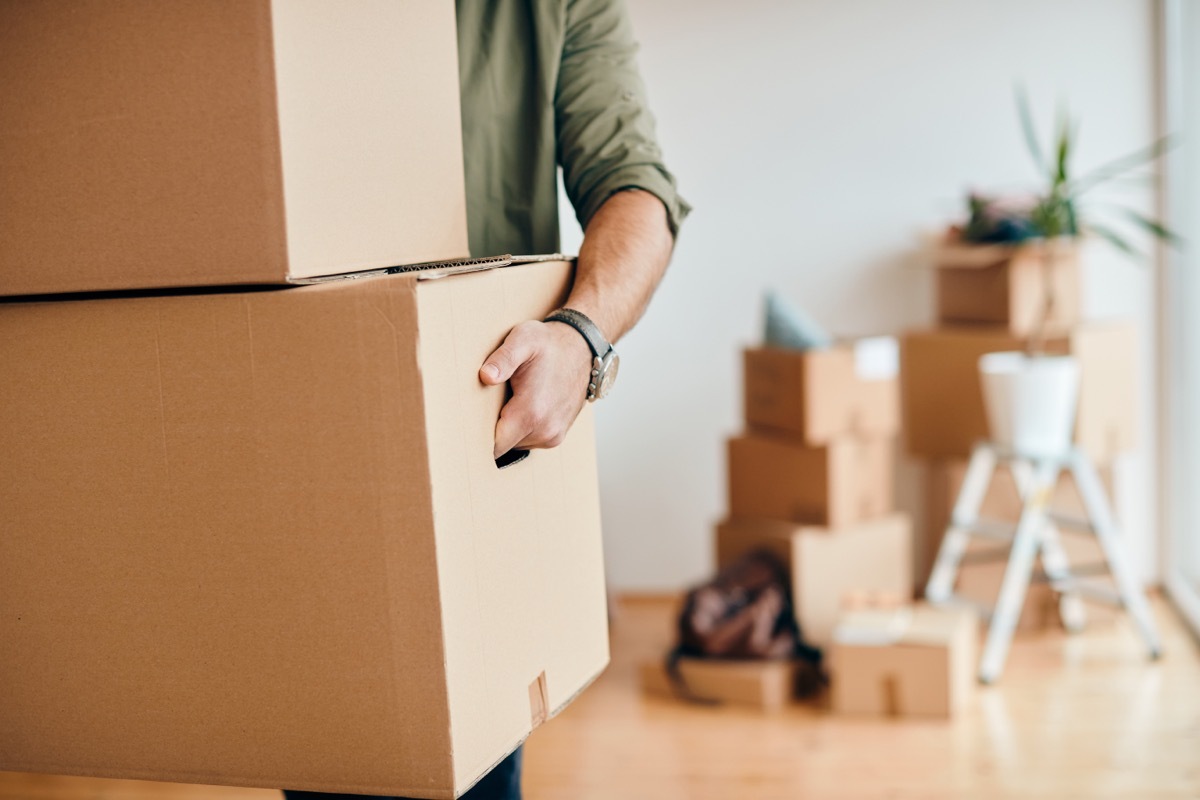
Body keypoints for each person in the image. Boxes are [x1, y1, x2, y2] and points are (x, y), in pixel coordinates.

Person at [283, 0, 687, 798]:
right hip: (299, 426)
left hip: (474, 443)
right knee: (322, 759)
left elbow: (637, 189)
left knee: (470, 767)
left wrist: (582, 335)